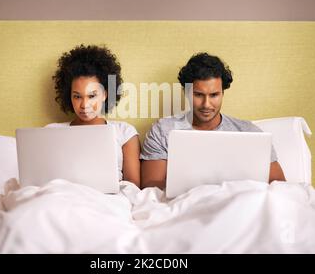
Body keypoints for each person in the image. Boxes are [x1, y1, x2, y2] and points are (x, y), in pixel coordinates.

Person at [140, 52, 286, 189]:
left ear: (223, 93)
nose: (206, 104)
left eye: (214, 95)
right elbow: (150, 186)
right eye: (198, 95)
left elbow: (279, 185)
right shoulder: (163, 131)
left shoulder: (250, 132)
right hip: (187, 205)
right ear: (187, 92)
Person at [49, 44, 141, 187]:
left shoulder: (124, 132)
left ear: (105, 94)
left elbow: (133, 186)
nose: (85, 105)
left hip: (107, 199)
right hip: (64, 196)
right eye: (77, 96)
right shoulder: (51, 131)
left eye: (92, 96)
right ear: (69, 96)